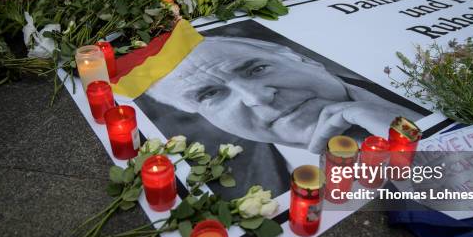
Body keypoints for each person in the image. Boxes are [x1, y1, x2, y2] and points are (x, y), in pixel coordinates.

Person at [146, 36, 422, 154]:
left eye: (257, 69)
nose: (258, 97)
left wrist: (411, 132)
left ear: (303, 59)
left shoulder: (417, 78)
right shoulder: (233, 191)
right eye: (210, 95)